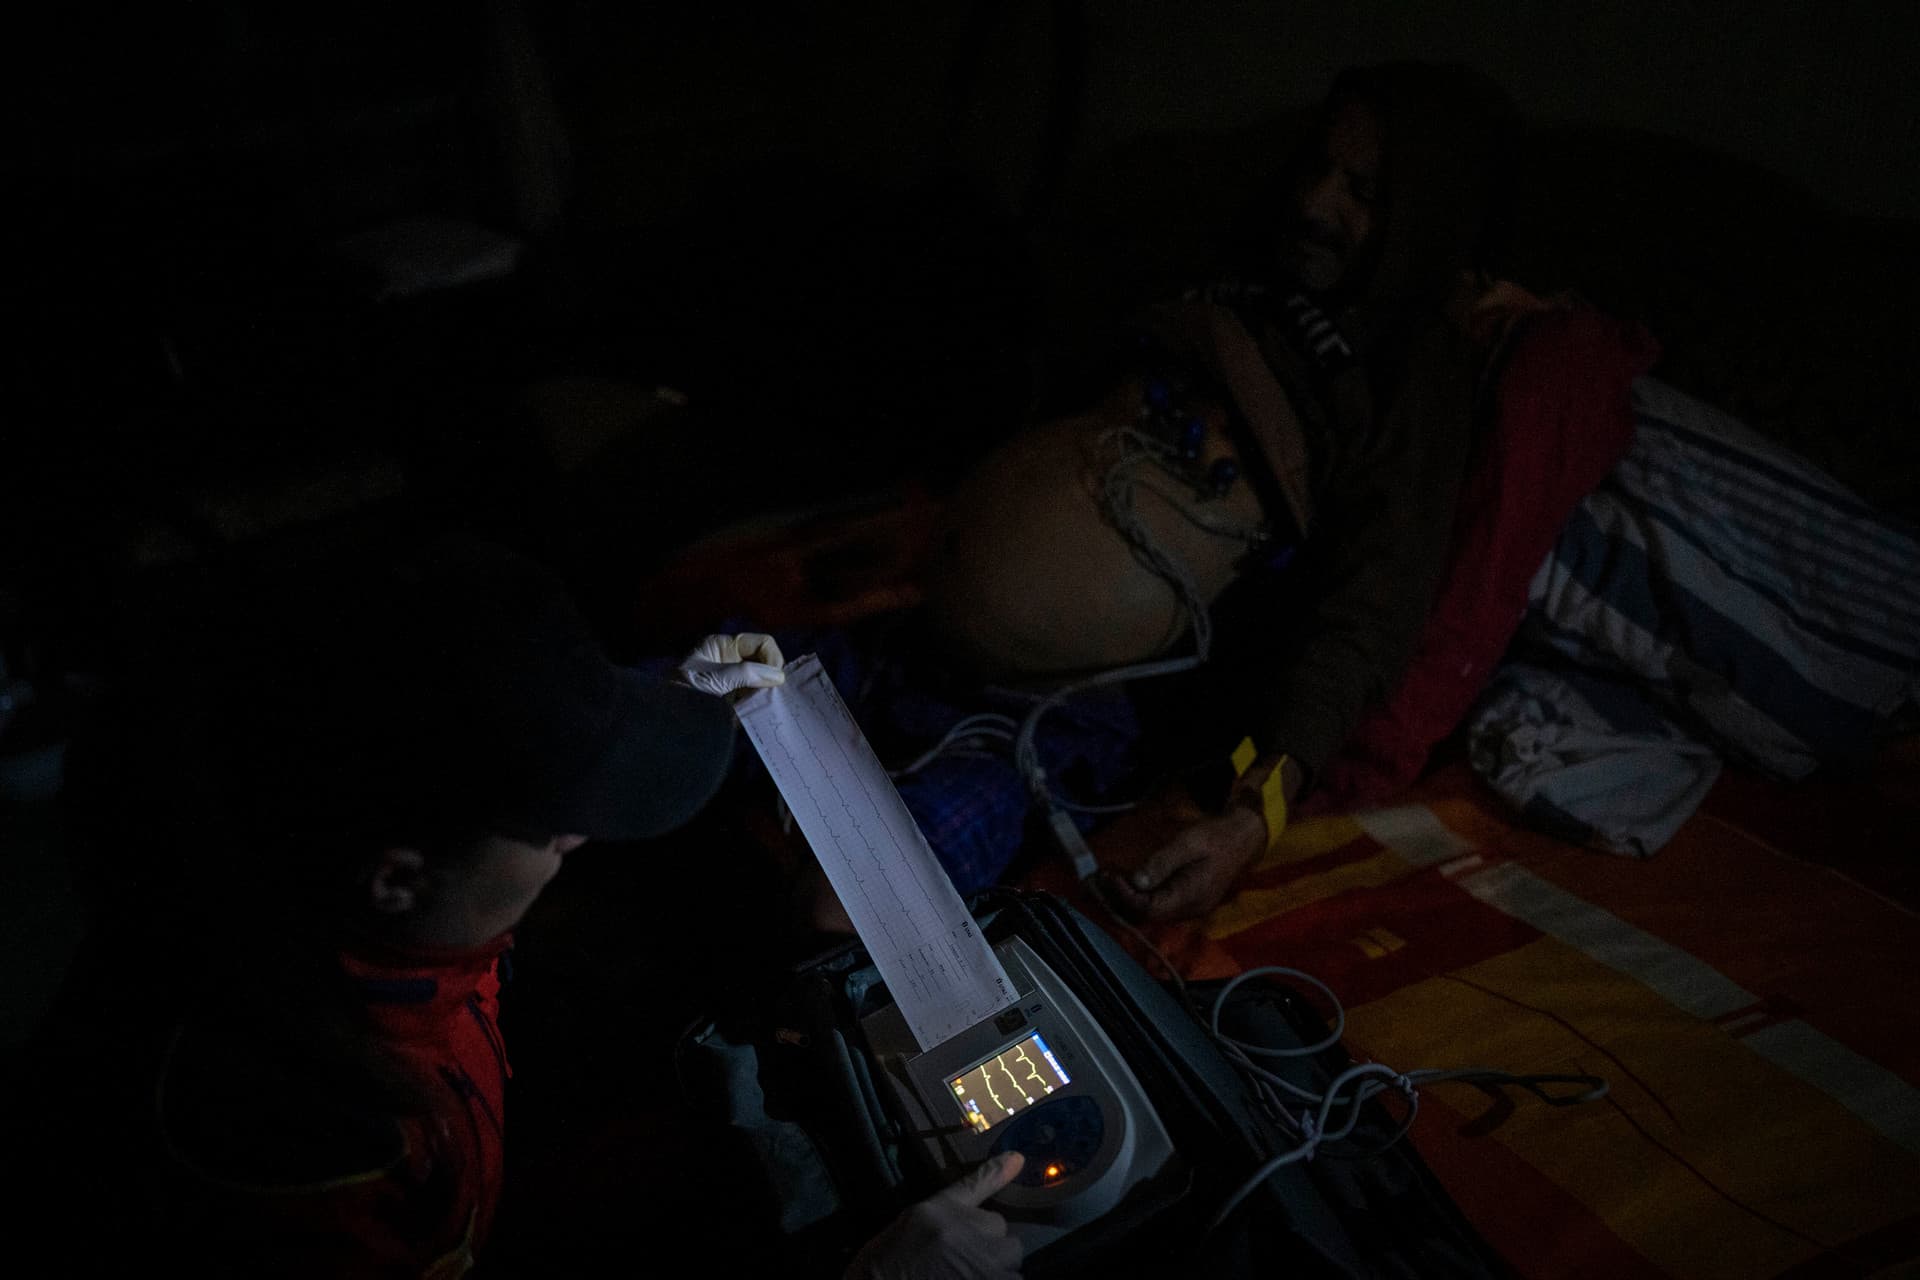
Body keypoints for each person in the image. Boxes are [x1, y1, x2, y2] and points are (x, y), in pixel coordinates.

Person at [7, 536, 1024, 1277]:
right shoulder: (292, 1149)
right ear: (397, 876)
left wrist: (668, 707)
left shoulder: (298, 823)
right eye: (556, 822)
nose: (577, 840)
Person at [905, 62, 1519, 921]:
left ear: (1418, 219)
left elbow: (1368, 619)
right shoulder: (1237, 270)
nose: (1314, 204)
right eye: (1315, 169)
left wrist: (1250, 821)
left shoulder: (1410, 376)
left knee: (856, 894)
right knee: (706, 696)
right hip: (910, 625)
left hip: (1064, 720)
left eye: (1360, 191)